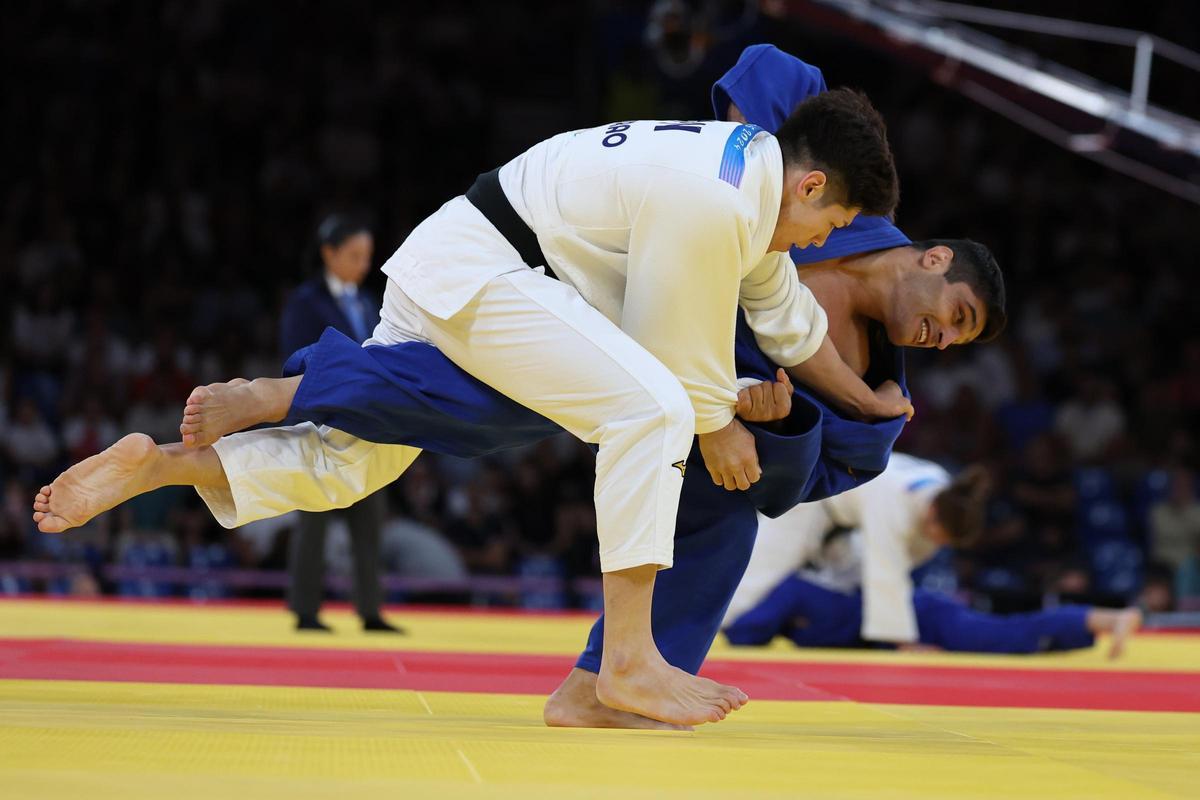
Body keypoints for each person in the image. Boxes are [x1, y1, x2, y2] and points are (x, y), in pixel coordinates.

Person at [32, 75, 904, 727]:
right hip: (494, 272)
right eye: (828, 227)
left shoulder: (748, 187)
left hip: (476, 266)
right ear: (812, 185)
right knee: (654, 411)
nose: (821, 244)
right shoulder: (716, 197)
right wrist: (715, 423)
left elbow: (790, 326)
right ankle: (630, 661)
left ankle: (164, 467)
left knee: (352, 468)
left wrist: (869, 401)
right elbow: (676, 357)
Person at [723, 455, 1142, 658]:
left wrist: (899, 641)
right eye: (938, 534)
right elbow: (886, 573)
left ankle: (1099, 619)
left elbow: (894, 573)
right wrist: (902, 643)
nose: (937, 543)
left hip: (857, 545)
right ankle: (714, 632)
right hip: (815, 503)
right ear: (933, 513)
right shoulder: (895, 500)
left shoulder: (946, 493)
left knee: (998, 636)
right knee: (755, 581)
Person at [279, 215, 399, 633]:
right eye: (354, 255)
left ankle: (370, 608)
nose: (364, 264)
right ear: (329, 254)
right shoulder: (306, 301)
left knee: (369, 521)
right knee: (313, 517)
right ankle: (305, 609)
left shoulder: (368, 302)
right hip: (321, 420)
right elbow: (296, 358)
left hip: (368, 426)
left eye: (367, 256)